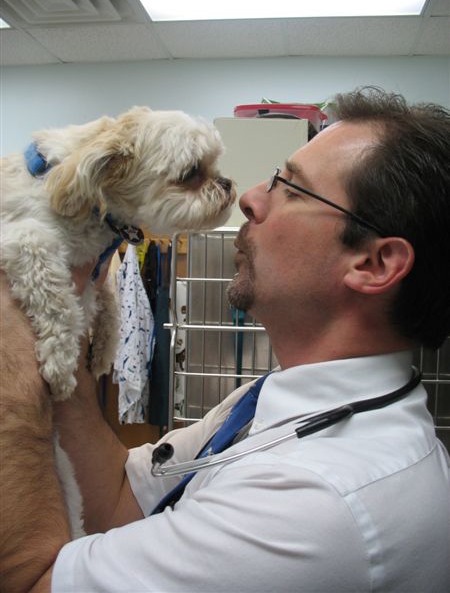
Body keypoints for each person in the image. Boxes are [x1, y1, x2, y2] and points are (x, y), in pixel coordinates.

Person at [1, 86, 449, 592]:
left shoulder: (315, 503)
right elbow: (123, 498)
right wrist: (62, 326)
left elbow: (28, 581)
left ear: (373, 263)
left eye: (291, 189)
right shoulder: (269, 401)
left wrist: (12, 361)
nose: (251, 197)